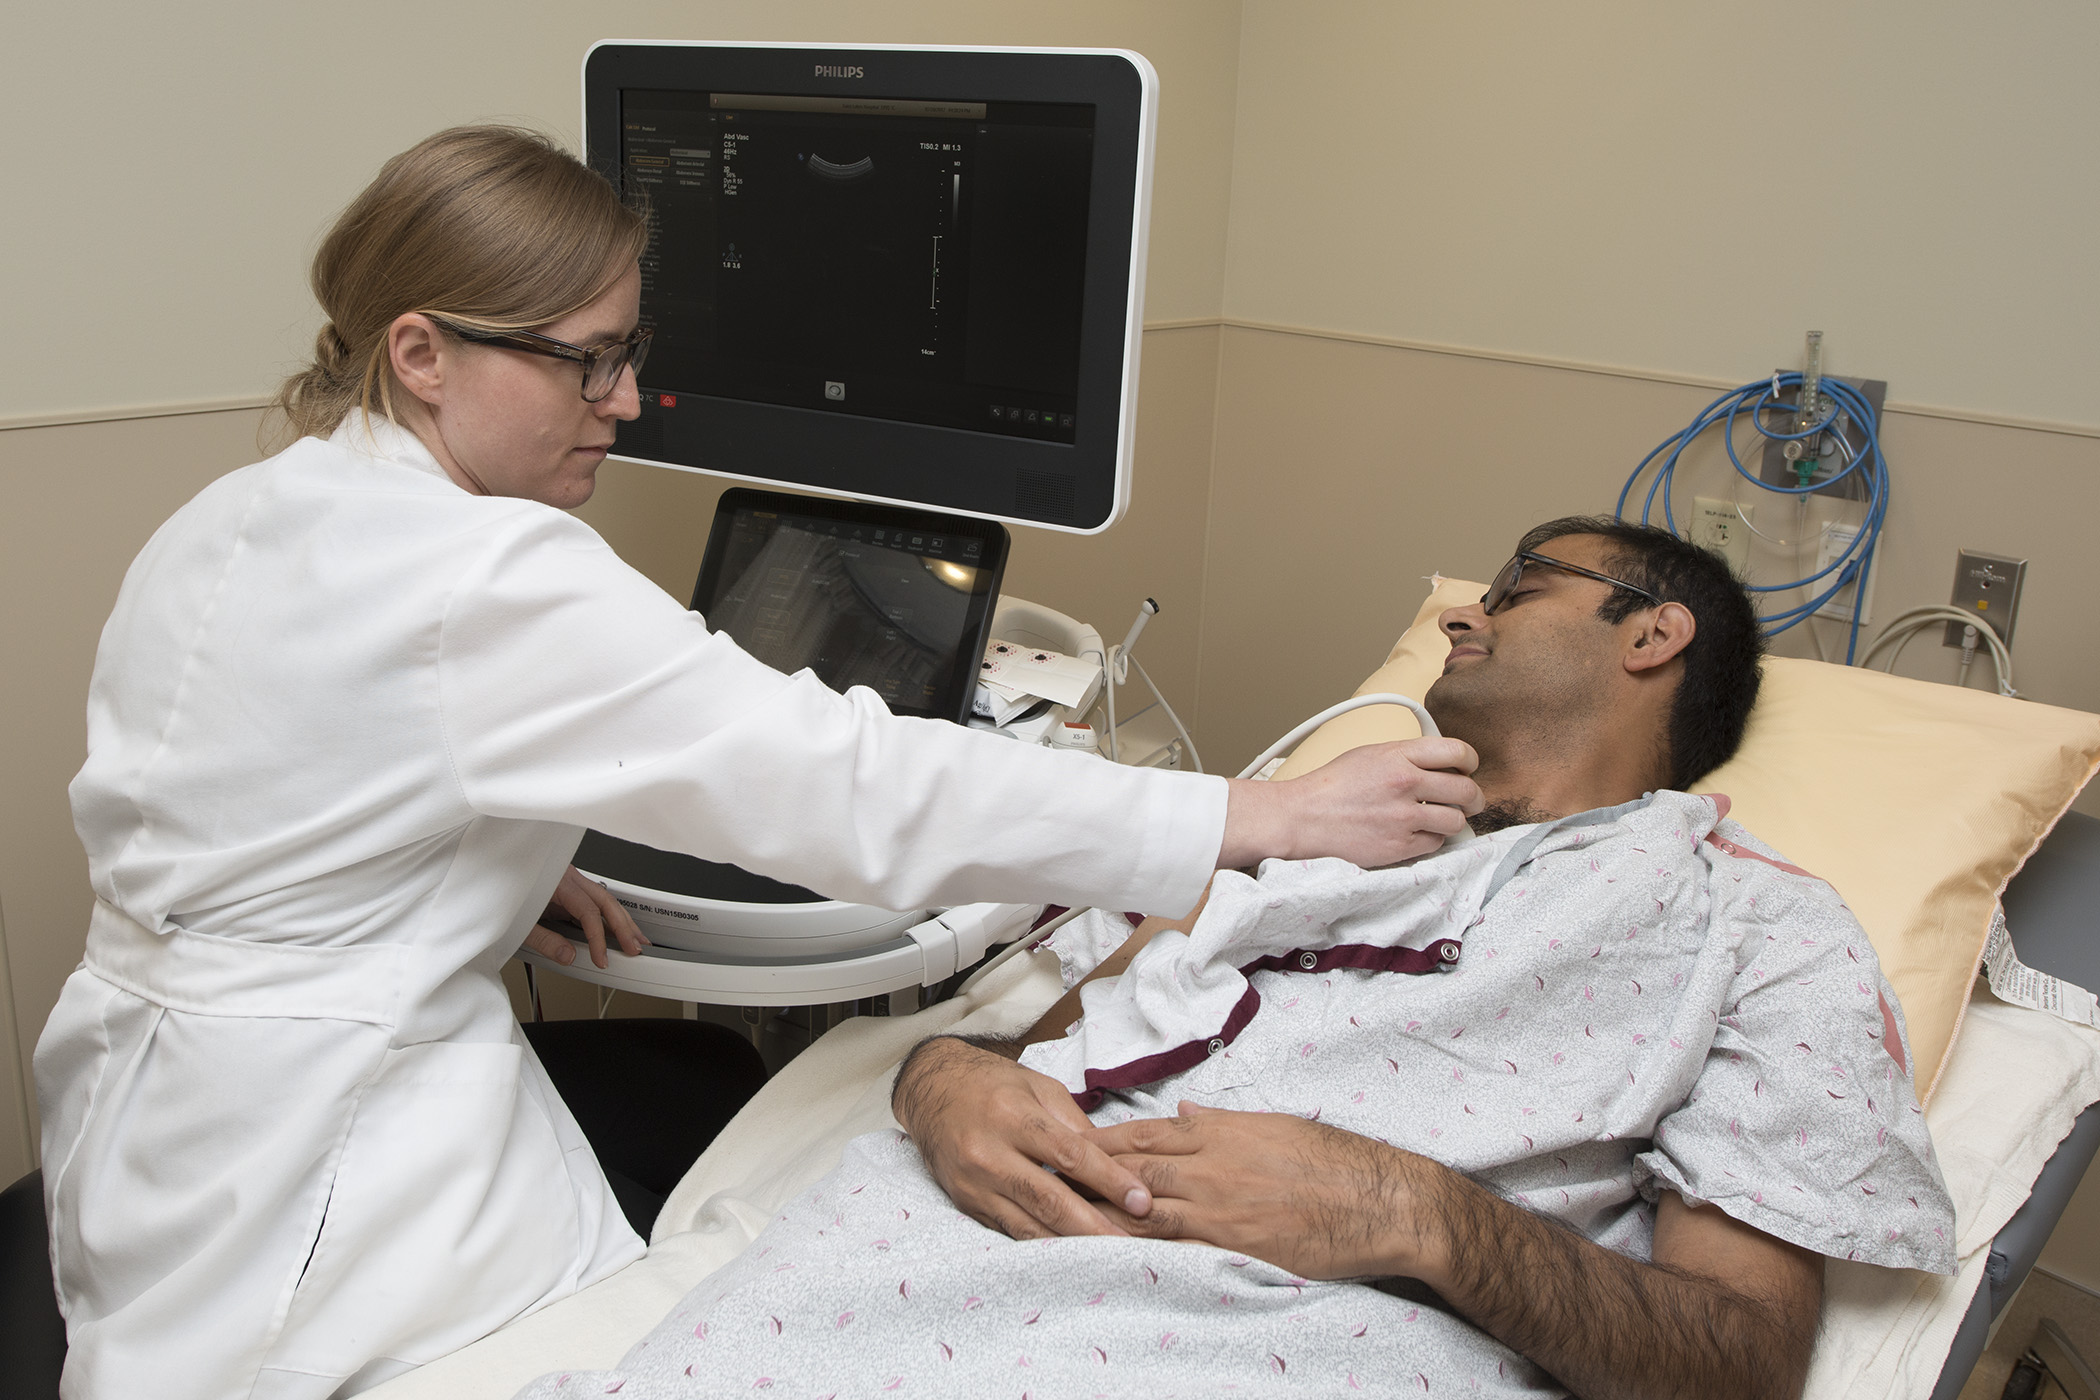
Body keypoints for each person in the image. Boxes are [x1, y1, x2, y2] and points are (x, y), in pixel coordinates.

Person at [32, 126, 1483, 1400]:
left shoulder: (244, 510)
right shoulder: (488, 574)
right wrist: (1251, 812)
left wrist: (475, 875)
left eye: (633, 351)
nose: (625, 397)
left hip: (154, 1118)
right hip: (324, 1178)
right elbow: (854, 786)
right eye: (587, 359)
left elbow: (266, 806)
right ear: (422, 353)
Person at [515, 518, 1957, 1400]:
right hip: (926, 1258)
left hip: (1282, 1338)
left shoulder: (1752, 928)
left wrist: (1416, 1210)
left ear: (1655, 633)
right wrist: (941, 1083)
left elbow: (1743, 1366)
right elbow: (1032, 1040)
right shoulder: (1310, 834)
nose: (1465, 609)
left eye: (1522, 584)